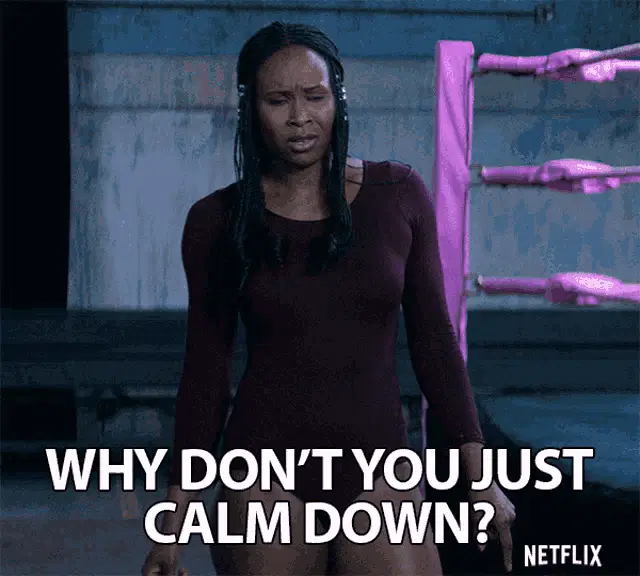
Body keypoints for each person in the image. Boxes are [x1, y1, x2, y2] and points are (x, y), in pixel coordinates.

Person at [142, 21, 515, 576]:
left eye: (314, 97)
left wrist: (480, 478)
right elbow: (205, 373)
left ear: (338, 99)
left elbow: (435, 342)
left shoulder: (398, 196)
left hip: (380, 469)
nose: (300, 117)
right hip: (265, 472)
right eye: (279, 101)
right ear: (251, 109)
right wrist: (172, 524)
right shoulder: (216, 221)